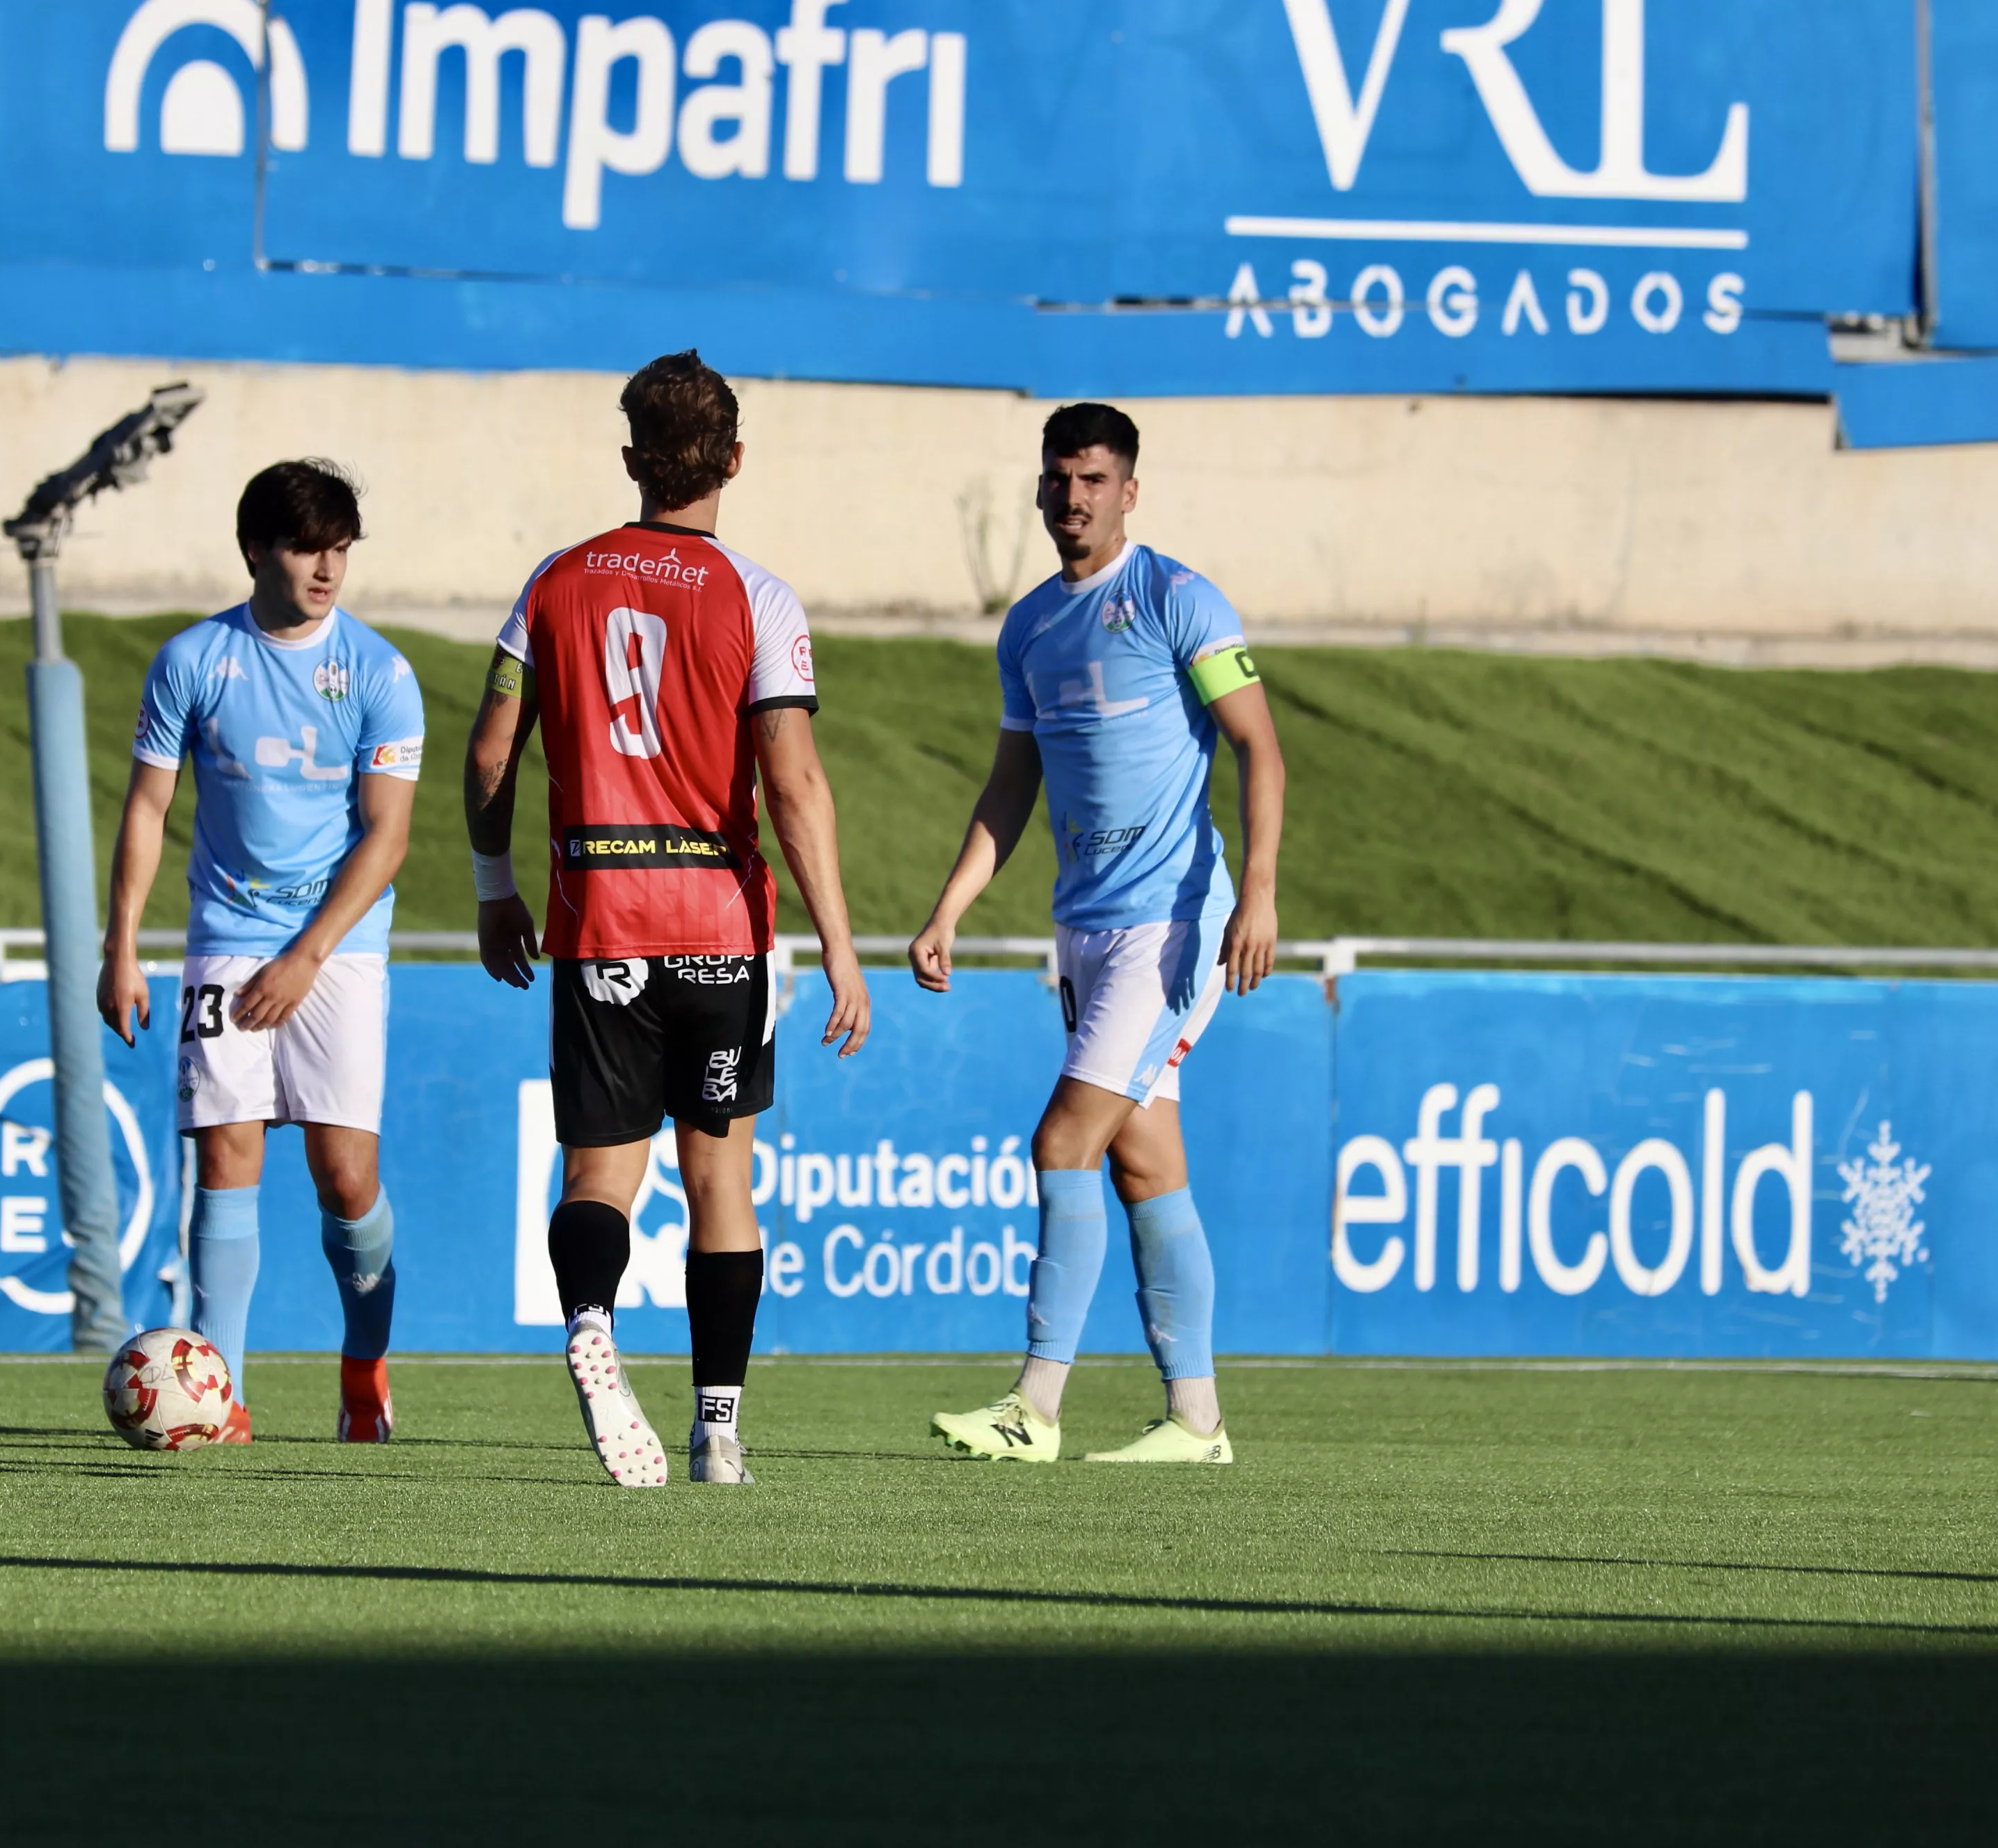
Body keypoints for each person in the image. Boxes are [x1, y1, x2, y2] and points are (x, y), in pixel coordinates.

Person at [462, 350, 869, 1488]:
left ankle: (591, 1318)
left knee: (598, 1181)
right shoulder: (758, 597)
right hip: (718, 923)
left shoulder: (555, 582)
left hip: (599, 918)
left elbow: (493, 750)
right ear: (734, 459)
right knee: (720, 1183)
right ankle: (719, 1429)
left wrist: (496, 888)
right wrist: (838, 942)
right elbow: (791, 782)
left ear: (633, 457)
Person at [912, 402, 1285, 1466]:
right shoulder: (1028, 627)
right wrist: (950, 907)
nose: (1072, 499)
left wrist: (1256, 892)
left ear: (1130, 491)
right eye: (1057, 479)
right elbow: (1012, 786)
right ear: (1039, 488)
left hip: (1171, 923)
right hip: (1083, 928)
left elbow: (1262, 750)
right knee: (1143, 1166)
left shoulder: (1178, 601)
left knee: (1061, 1142)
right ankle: (1198, 1423)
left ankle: (1034, 1407)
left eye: (1093, 481)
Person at [98, 461, 423, 1444]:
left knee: (345, 1181)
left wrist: (309, 955)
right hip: (226, 944)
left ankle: (364, 1367)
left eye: (340, 548)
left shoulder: (379, 672)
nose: (327, 568)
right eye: (305, 547)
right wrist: (121, 950)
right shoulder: (193, 661)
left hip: (339, 948)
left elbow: (388, 835)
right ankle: (220, 1396)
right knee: (226, 1159)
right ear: (255, 551)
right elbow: (148, 808)